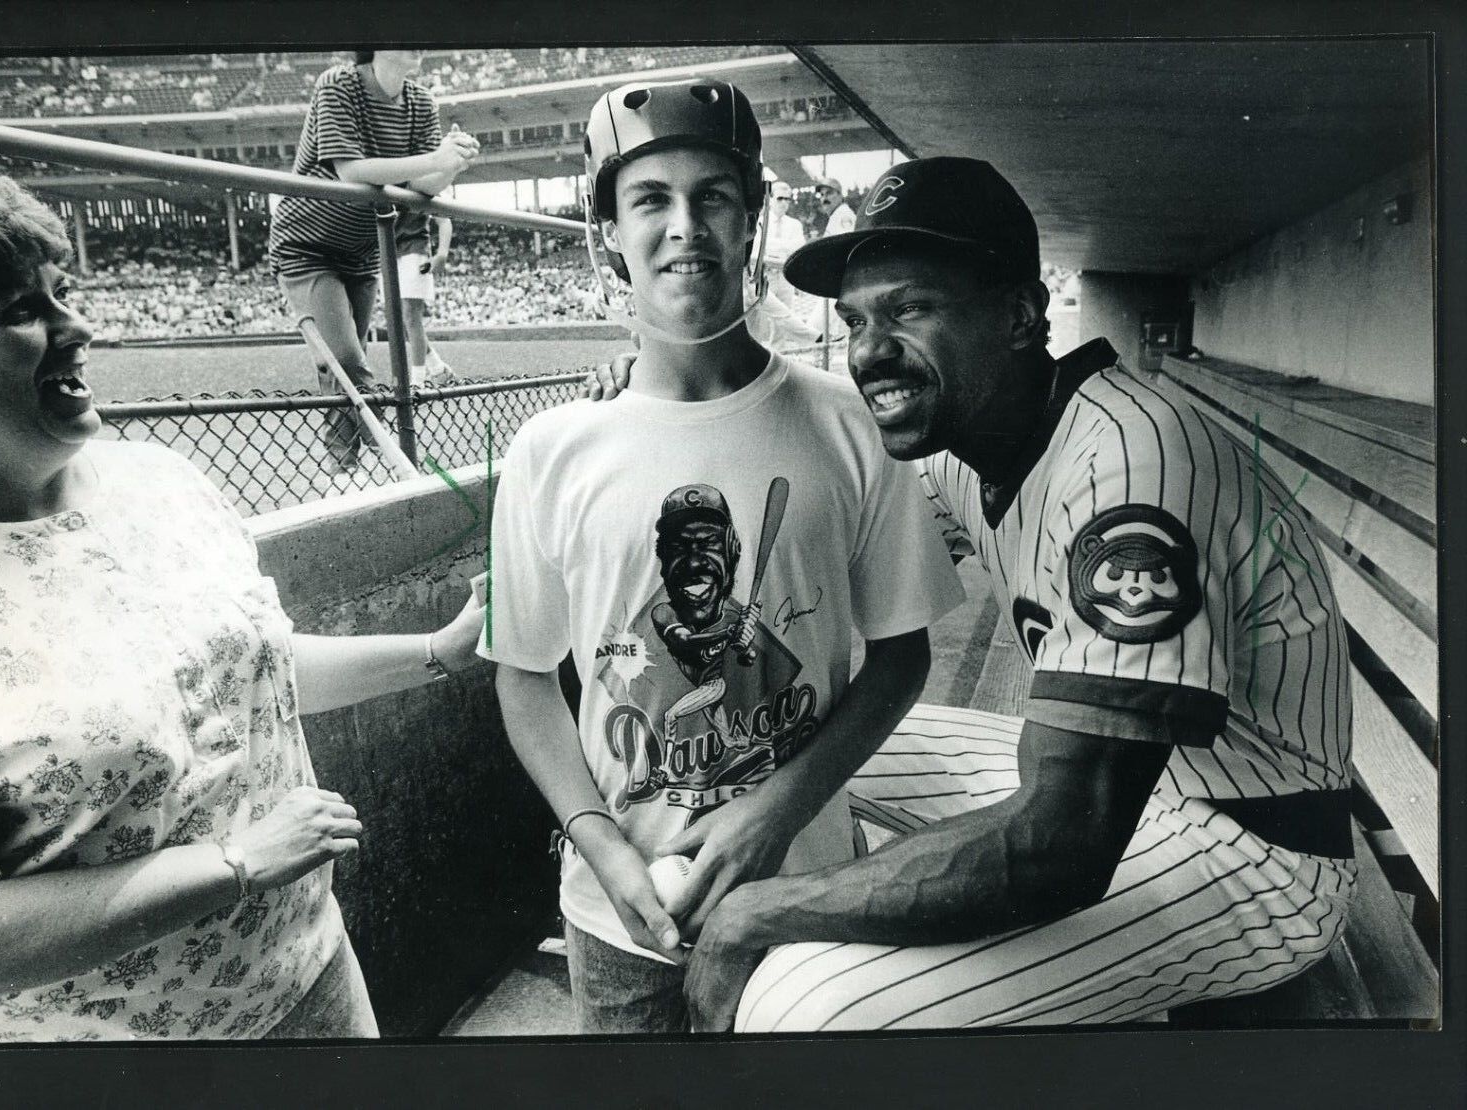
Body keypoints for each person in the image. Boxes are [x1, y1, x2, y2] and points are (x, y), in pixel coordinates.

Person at [610, 156, 1352, 1031]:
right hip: (1128, 778)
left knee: (804, 1007)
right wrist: (643, 408)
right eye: (853, 320)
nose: (869, 352)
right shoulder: (975, 439)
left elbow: (1063, 845)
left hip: (1251, 847)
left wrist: (763, 913)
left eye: (910, 309)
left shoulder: (1130, 463)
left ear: (1019, 315)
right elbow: (802, 504)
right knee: (768, 734)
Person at [0, 161, 486, 1042]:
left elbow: (257, 671)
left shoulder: (164, 481)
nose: (74, 327)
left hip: (314, 976)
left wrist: (438, 650)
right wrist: (235, 863)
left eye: (62, 291)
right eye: (19, 310)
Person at [479, 80, 958, 1034]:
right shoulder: (551, 448)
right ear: (606, 230)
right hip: (618, 918)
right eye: (649, 199)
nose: (684, 225)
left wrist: (775, 814)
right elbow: (525, 678)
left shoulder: (846, 421)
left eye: (714, 196)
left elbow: (902, 655)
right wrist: (604, 850)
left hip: (806, 897)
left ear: (754, 221)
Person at [268, 49, 479, 487]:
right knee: (346, 360)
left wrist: (452, 163)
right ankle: (401, 467)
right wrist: (435, 160)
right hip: (307, 247)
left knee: (342, 366)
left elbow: (422, 186)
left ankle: (343, 472)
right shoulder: (339, 85)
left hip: (363, 254)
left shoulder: (421, 102)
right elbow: (352, 170)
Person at [745, 180, 818, 350]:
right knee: (757, 321)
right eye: (780, 199)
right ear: (769, 199)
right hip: (762, 276)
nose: (784, 203)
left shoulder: (795, 224)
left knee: (782, 322)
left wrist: (770, 248)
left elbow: (796, 249)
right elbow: (754, 252)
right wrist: (781, 248)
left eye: (788, 199)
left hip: (784, 277)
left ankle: (779, 356)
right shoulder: (758, 222)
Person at [395, 212, 458, 384]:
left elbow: (444, 218)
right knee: (402, 321)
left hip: (414, 249)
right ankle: (438, 369)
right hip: (388, 251)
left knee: (411, 317)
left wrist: (442, 254)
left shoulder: (418, 184)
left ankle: (417, 383)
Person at [805, 177, 855, 337]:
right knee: (828, 330)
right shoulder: (836, 215)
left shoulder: (843, 215)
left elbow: (844, 246)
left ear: (840, 196)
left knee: (815, 327)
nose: (824, 198)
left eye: (830, 193)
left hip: (841, 279)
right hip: (838, 280)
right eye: (822, 194)